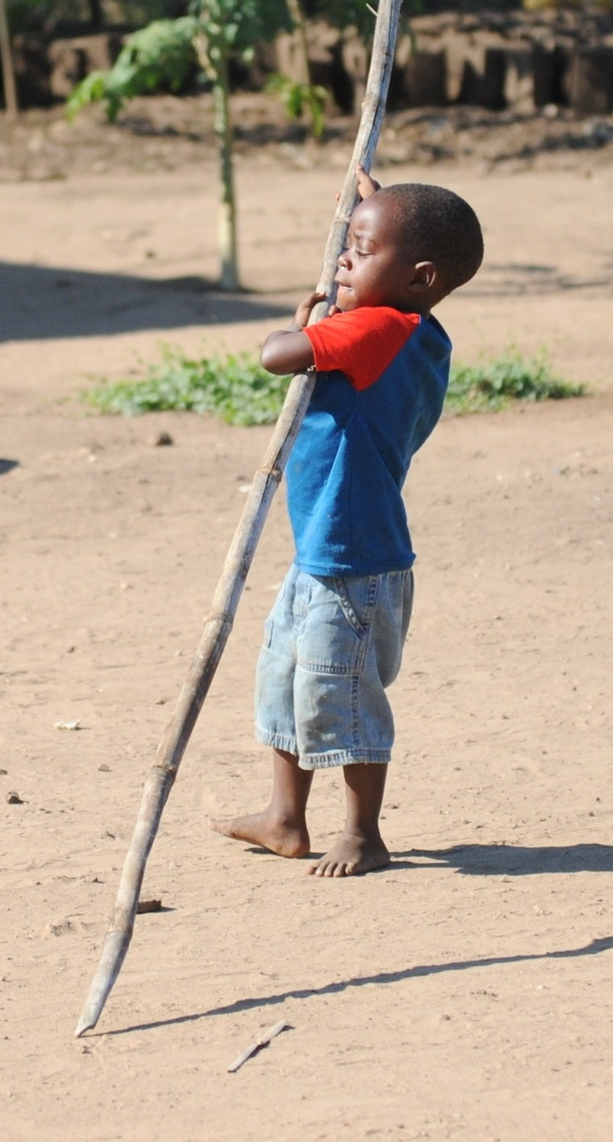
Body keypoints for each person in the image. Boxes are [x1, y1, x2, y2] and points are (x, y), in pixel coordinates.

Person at [213, 171, 482, 877]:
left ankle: (363, 831)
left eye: (360, 249)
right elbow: (402, 248)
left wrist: (306, 328)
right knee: (285, 679)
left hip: (353, 564)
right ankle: (284, 816)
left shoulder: (375, 328)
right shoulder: (414, 328)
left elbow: (277, 356)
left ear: (419, 277)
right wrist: (376, 203)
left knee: (343, 690)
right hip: (323, 555)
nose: (342, 260)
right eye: (348, 243)